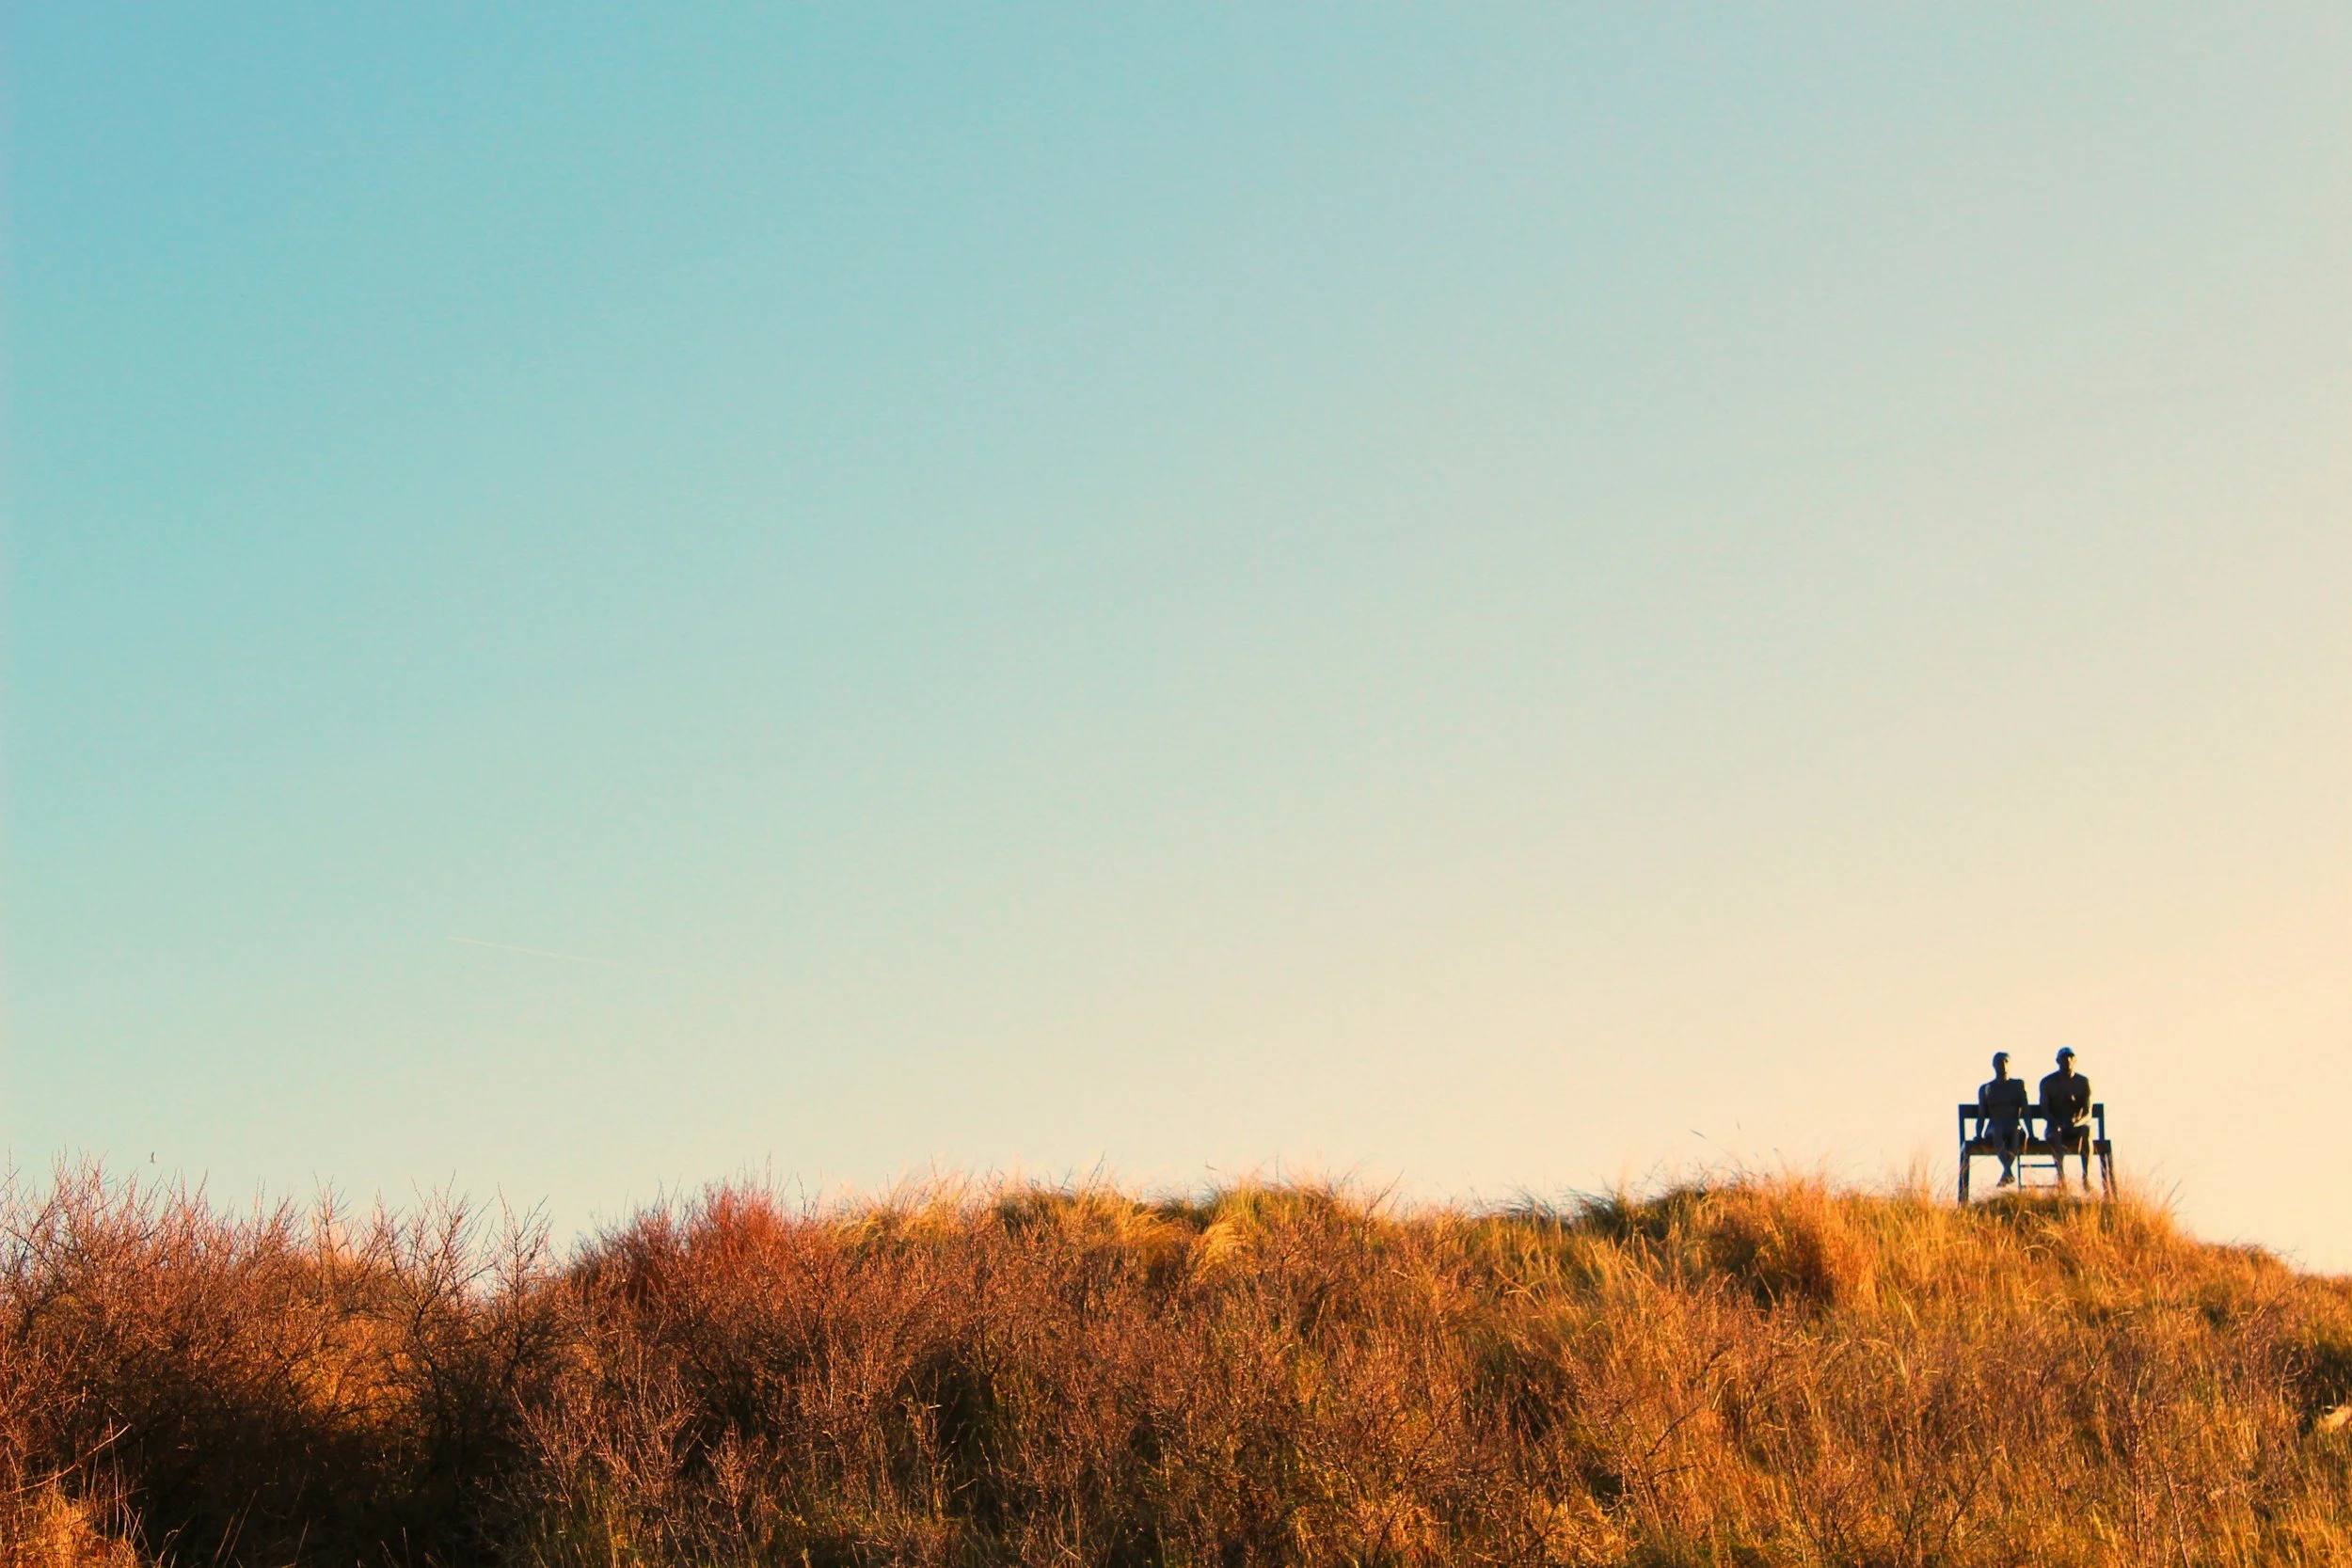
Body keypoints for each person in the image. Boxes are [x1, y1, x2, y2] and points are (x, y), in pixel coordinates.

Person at [2038, 1048, 2093, 1189]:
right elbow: (2044, 1110)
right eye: (2064, 1058)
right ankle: (2061, 1177)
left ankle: (2086, 1177)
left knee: (2087, 1130)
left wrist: (2077, 1123)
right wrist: (2056, 1123)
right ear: (2057, 1061)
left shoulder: (2083, 1082)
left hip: (2075, 1128)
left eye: (2070, 1057)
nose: (2067, 1061)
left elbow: (2088, 1113)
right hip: (2054, 1127)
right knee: (2055, 1133)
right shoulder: (2047, 1082)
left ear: (2075, 1060)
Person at [1976, 1052, 2029, 1186]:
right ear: (1993, 1065)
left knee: (2016, 1131)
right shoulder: (1987, 1088)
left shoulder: (2018, 1085)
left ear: (2010, 1064)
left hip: (2014, 1126)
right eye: (1999, 1062)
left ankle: (2007, 1171)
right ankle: (2008, 1171)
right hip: (1994, 1128)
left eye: (2005, 1061)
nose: (2002, 1065)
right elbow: (1981, 1114)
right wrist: (1978, 1134)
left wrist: (2032, 1133)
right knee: (1998, 1131)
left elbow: (2026, 1111)